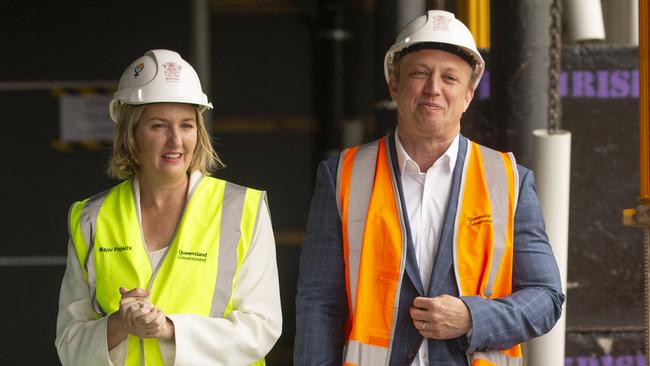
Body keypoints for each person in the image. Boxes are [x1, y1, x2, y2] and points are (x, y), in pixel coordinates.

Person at [294, 10, 564, 365]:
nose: (433, 88)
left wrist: (472, 317)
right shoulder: (341, 175)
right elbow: (318, 304)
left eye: (450, 78)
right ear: (394, 85)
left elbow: (546, 297)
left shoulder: (509, 180)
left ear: (468, 94)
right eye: (420, 73)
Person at [56, 49, 282, 365]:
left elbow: (262, 328)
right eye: (159, 126)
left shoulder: (242, 209)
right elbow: (69, 344)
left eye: (187, 125)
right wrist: (119, 324)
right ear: (130, 133)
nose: (176, 141)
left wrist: (170, 329)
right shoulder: (92, 218)